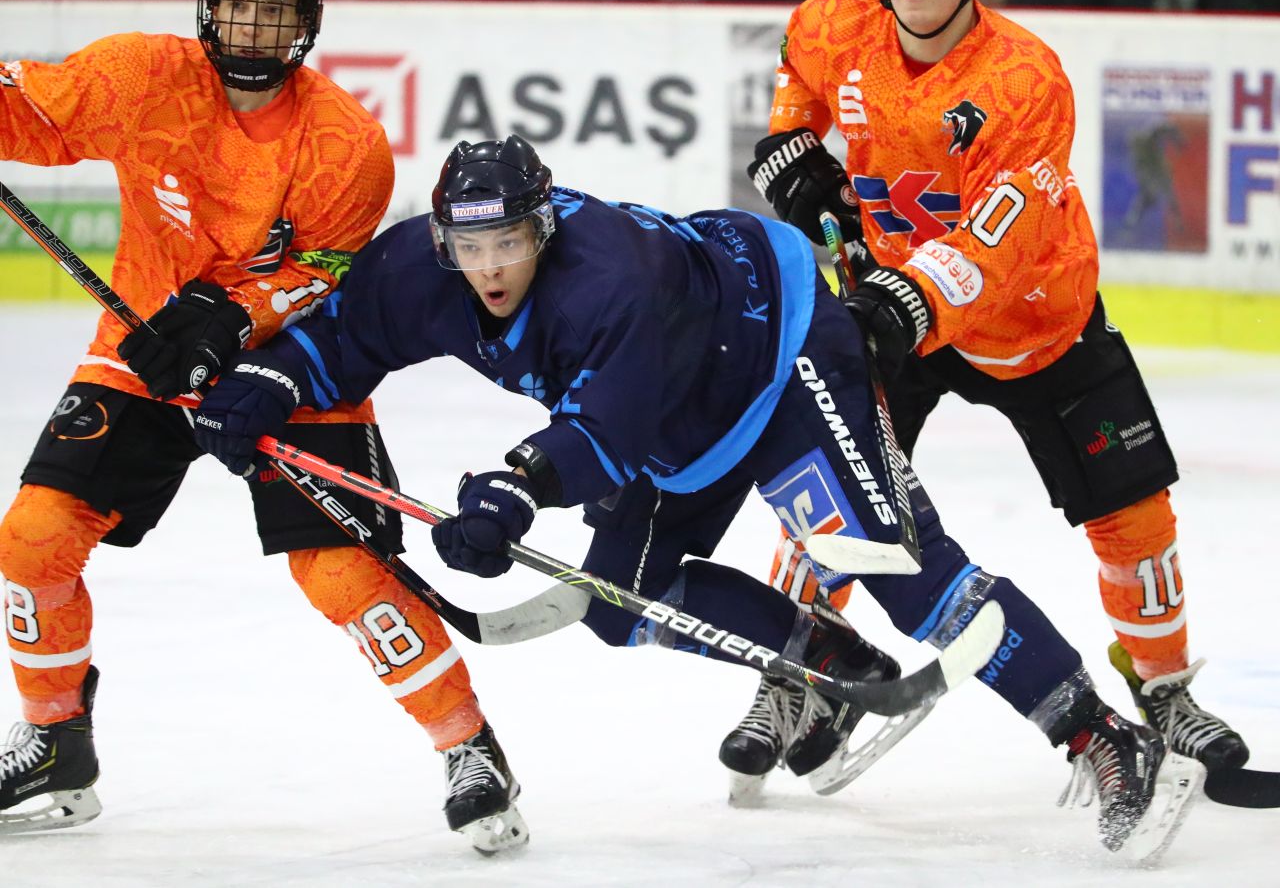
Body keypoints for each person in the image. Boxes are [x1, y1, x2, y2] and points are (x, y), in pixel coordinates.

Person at [191, 133, 1200, 857]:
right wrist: (265, 385)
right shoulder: (424, 265)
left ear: (545, 227)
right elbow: (343, 339)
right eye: (469, 247)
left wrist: (509, 491)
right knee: (620, 602)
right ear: (444, 241)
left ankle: (1095, 733)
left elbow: (603, 436)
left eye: (508, 244)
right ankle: (821, 667)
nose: (488, 269)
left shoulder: (608, 282)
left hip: (782, 358)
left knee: (896, 575)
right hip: (678, 410)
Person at [0, 0, 526, 854]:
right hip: (142, 348)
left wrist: (231, 320)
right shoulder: (139, 77)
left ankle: (467, 745)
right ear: (208, 9)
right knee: (32, 539)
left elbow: (321, 271)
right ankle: (53, 738)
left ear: (308, 23)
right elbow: (29, 112)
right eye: (237, 9)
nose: (251, 31)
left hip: (287, 369)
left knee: (342, 573)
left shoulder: (346, 145)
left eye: (273, 13)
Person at [733, 0, 1247, 792]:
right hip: (901, 309)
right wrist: (788, 141)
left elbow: (1001, 234)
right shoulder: (836, 21)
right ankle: (807, 669)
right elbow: (798, 79)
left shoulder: (1022, 78)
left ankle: (1163, 687)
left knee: (1132, 516)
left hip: (1033, 319)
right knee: (829, 489)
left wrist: (914, 295)